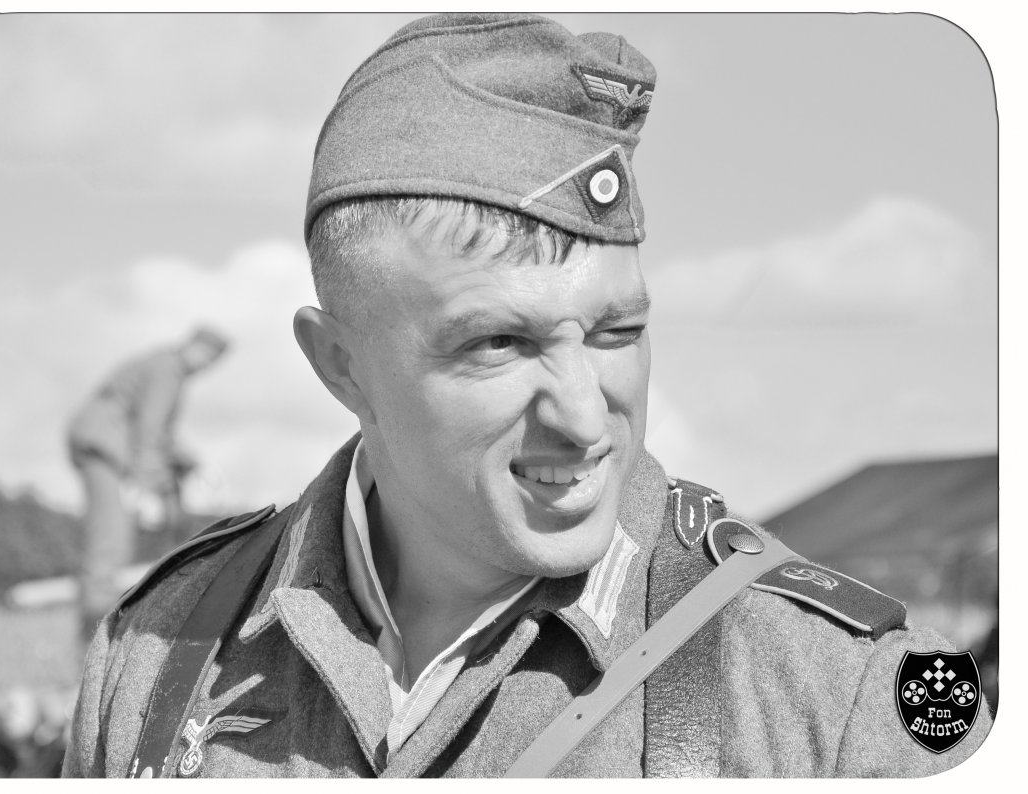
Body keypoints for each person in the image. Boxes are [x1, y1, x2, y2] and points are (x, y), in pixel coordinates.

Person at [63, 14, 992, 777]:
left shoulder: (843, 696)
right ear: (341, 366)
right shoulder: (159, 654)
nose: (586, 420)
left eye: (617, 332)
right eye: (500, 345)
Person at [65, 325, 229, 640]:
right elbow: (149, 430)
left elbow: (161, 437)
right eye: (208, 358)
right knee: (110, 540)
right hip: (106, 447)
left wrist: (194, 464)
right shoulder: (168, 369)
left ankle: (171, 602)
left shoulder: (165, 366)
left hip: (114, 446)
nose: (206, 367)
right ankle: (93, 639)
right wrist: (145, 487)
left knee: (149, 527)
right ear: (194, 346)